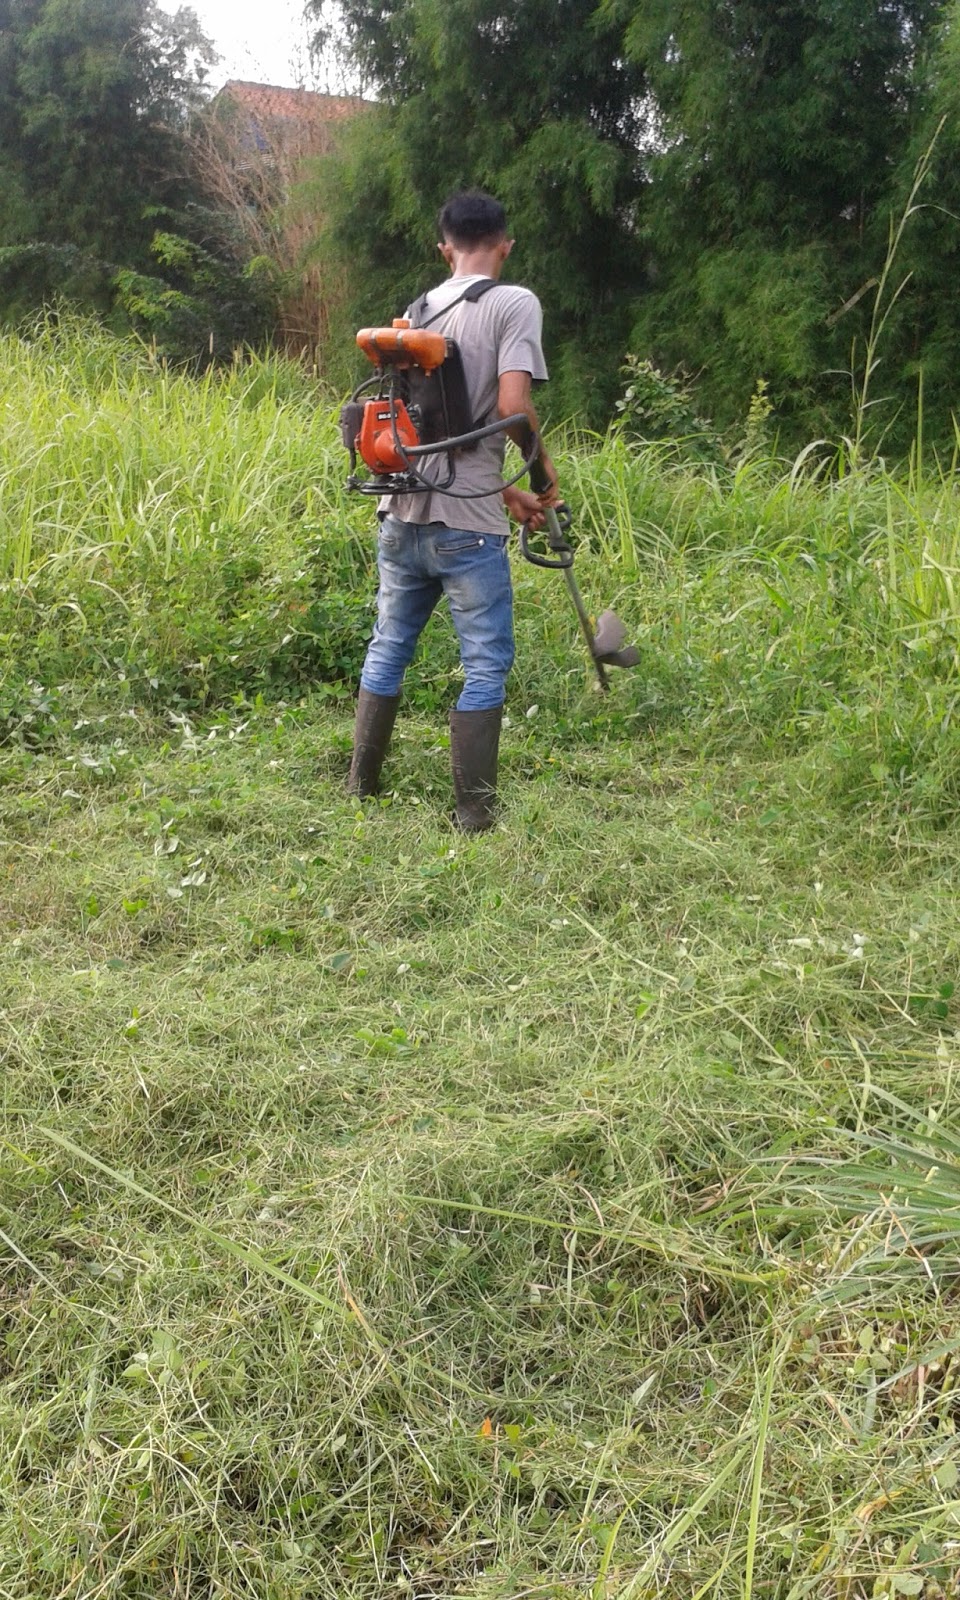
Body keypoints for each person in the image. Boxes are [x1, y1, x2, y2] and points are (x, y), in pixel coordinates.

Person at [347, 189, 560, 831]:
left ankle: (360, 786)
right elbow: (511, 409)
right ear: (505, 246)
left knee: (389, 646)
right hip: (466, 532)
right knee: (485, 664)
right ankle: (474, 815)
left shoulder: (414, 313)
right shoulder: (514, 302)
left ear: (445, 250)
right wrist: (540, 471)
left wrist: (507, 491)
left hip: (399, 517)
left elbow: (428, 432)